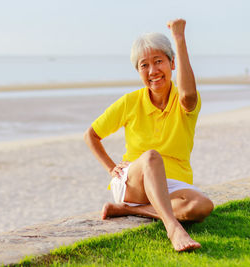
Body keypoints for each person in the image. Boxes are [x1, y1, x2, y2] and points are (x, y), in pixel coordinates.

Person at [84, 19, 214, 252]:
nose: (153, 71)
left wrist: (179, 39)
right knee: (152, 157)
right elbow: (91, 136)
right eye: (144, 65)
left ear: (172, 63)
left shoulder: (184, 100)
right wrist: (110, 168)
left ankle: (129, 210)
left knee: (202, 206)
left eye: (158, 62)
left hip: (172, 184)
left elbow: (188, 95)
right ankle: (173, 227)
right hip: (134, 181)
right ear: (138, 71)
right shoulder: (130, 102)